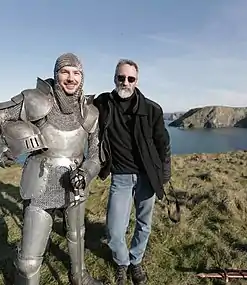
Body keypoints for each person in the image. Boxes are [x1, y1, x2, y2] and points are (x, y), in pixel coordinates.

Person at [0, 53, 103, 285]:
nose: (71, 78)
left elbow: (95, 154)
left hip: (76, 181)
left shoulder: (90, 112)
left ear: (82, 78)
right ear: (56, 74)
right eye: (65, 72)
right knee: (29, 261)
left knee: (76, 235)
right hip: (42, 180)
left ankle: (79, 276)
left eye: (76, 73)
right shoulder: (35, 99)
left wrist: (86, 173)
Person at [93, 59, 171, 285]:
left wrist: (164, 174)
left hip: (148, 175)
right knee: (114, 230)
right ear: (114, 78)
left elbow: (163, 143)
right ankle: (122, 262)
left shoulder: (152, 109)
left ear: (137, 81)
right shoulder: (103, 104)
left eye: (130, 78)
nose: (125, 82)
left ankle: (135, 262)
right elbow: (78, 105)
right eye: (121, 77)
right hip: (121, 176)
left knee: (143, 222)